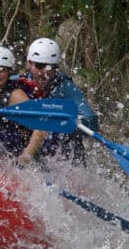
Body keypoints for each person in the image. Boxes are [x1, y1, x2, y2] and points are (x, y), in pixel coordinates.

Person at [23, 37, 98, 165]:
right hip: (29, 146)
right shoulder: (18, 83)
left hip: (63, 152)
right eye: (39, 66)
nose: (44, 72)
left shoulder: (66, 87)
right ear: (29, 64)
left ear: (56, 67)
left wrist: (70, 121)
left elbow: (91, 121)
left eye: (50, 67)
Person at [0, 46, 45, 166]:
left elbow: (42, 125)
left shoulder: (15, 95)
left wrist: (26, 156)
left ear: (9, 72)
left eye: (1, 70)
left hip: (16, 160)